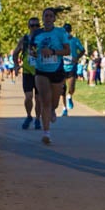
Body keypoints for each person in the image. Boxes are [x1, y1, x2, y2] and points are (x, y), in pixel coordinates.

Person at [31, 8, 71, 144]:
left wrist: (53, 51)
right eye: (45, 16)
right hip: (41, 70)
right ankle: (46, 133)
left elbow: (67, 51)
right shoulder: (37, 33)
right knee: (44, 101)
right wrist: (34, 53)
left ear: (54, 19)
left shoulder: (60, 32)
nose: (48, 18)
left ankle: (53, 109)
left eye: (50, 16)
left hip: (57, 70)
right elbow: (32, 49)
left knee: (54, 102)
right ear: (42, 18)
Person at [12, 17, 42, 130]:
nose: (35, 28)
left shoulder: (43, 39)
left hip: (40, 72)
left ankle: (38, 119)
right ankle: (29, 115)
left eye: (37, 25)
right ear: (29, 27)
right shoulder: (24, 40)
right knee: (28, 97)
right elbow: (15, 53)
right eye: (32, 26)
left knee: (38, 98)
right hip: (27, 72)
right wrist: (16, 65)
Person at [60, 23, 86, 116]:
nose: (66, 33)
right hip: (61, 66)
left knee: (71, 87)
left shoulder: (75, 40)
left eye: (68, 31)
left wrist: (77, 57)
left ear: (70, 31)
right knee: (62, 88)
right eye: (65, 31)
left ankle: (69, 96)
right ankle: (64, 108)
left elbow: (82, 50)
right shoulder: (60, 41)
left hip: (72, 66)